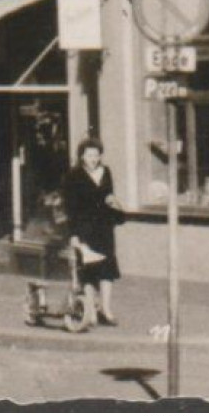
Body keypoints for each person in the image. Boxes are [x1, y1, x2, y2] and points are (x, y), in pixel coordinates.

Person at [62, 136, 124, 326]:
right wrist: (73, 234)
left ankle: (105, 309)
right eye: (89, 155)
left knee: (107, 268)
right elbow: (70, 207)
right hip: (85, 228)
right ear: (82, 156)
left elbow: (109, 195)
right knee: (89, 269)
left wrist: (113, 203)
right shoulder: (73, 176)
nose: (93, 159)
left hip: (104, 227)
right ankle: (90, 310)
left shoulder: (106, 172)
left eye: (96, 155)